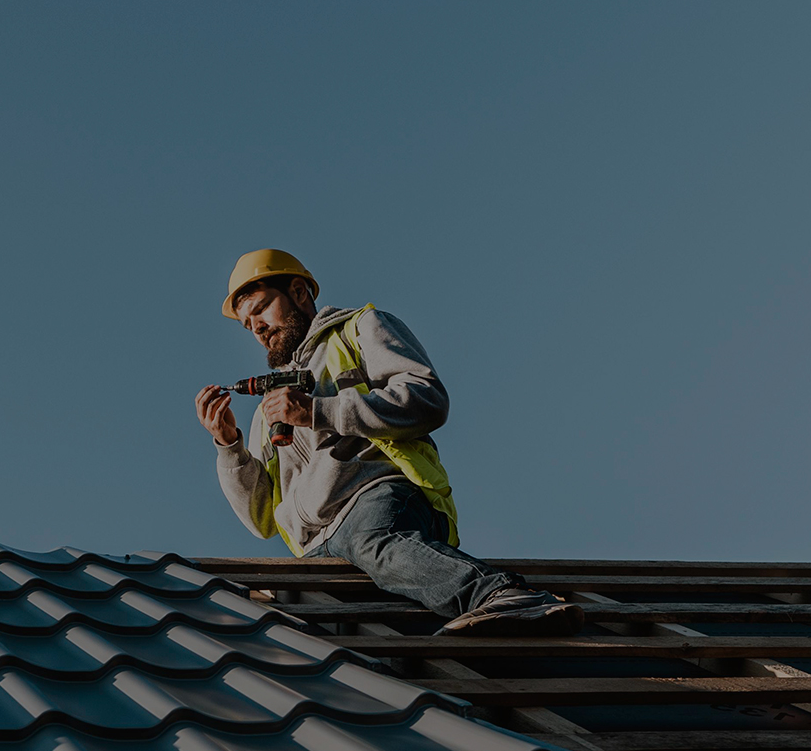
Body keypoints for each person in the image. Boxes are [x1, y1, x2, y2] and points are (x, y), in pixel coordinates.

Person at [195, 248, 583, 636]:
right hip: (317, 548)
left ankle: (502, 595)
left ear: (299, 292)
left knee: (376, 542)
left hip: (376, 501)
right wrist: (229, 447)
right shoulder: (269, 410)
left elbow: (427, 399)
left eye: (262, 309)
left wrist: (318, 412)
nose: (257, 327)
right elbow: (262, 520)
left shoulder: (359, 330)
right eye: (247, 324)